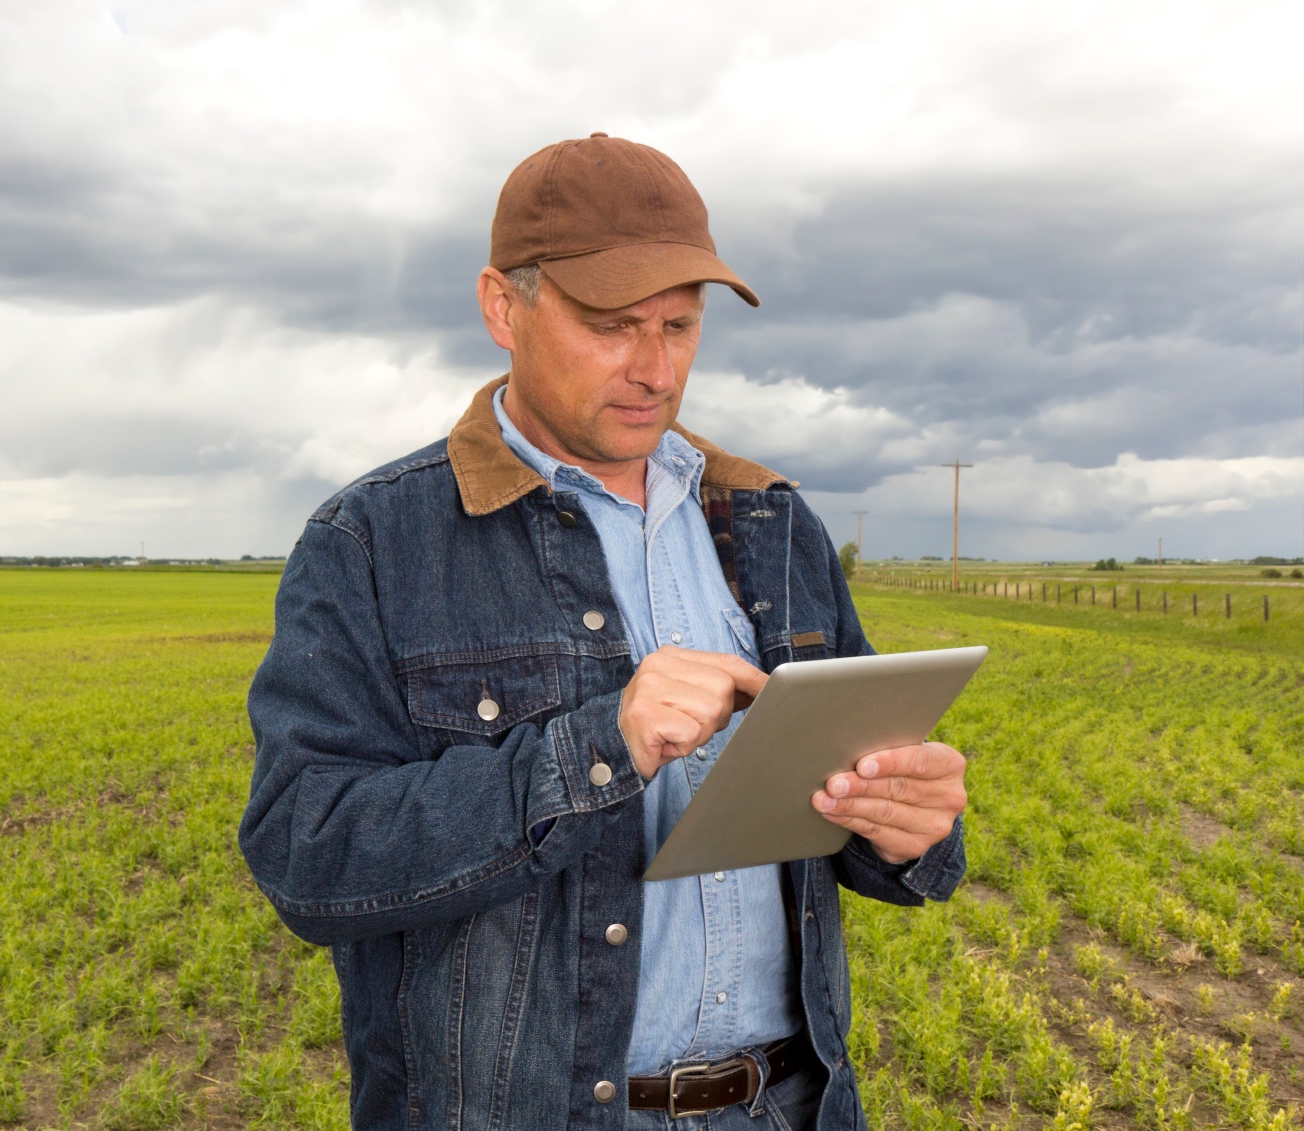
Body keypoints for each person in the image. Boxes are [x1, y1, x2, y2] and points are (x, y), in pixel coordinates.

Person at [240, 134, 968, 1130]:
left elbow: (853, 813)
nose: (655, 367)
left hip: (792, 1103)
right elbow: (306, 853)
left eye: (679, 324)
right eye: (613, 325)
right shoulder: (372, 541)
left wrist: (908, 827)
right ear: (504, 307)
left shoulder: (771, 521)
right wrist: (596, 748)